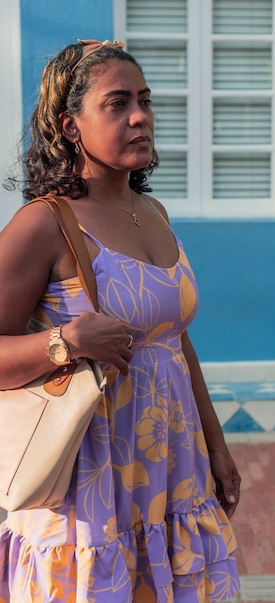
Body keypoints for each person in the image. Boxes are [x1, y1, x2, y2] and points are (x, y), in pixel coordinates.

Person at [0, 39, 240, 603]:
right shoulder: (44, 225)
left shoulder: (151, 212)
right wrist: (66, 341)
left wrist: (216, 443)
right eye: (117, 103)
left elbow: (175, 341)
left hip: (172, 472)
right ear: (70, 125)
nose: (139, 117)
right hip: (91, 479)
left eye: (145, 101)